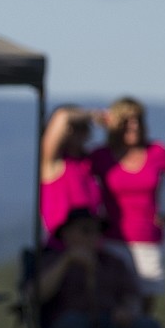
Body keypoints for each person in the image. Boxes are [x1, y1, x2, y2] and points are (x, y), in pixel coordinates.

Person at [36, 207, 165, 328]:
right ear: (67, 234)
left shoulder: (113, 263)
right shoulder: (51, 261)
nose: (93, 237)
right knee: (74, 324)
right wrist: (67, 261)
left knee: (148, 326)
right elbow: (37, 294)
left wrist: (128, 310)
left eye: (97, 231)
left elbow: (132, 296)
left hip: (109, 324)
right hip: (65, 327)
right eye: (85, 230)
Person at [90, 97, 165, 314]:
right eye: (127, 121)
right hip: (112, 240)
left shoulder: (156, 152)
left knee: (144, 308)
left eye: (138, 120)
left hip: (148, 240)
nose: (135, 126)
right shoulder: (101, 156)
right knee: (112, 304)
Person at [39, 104, 104, 248]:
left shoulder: (90, 164)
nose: (75, 132)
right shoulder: (52, 162)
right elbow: (62, 116)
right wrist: (93, 115)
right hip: (59, 248)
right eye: (72, 127)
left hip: (92, 247)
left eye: (82, 127)